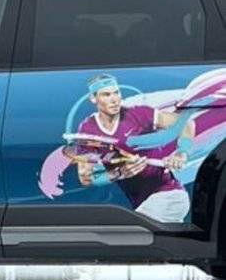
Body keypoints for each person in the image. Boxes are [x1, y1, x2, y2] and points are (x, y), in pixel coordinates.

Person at [77, 74, 194, 223]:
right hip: (143, 203)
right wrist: (120, 173)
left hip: (169, 195)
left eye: (116, 93)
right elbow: (86, 178)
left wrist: (181, 153)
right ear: (93, 99)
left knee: (130, 231)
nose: (114, 99)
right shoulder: (88, 129)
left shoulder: (139, 114)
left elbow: (186, 124)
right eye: (106, 95)